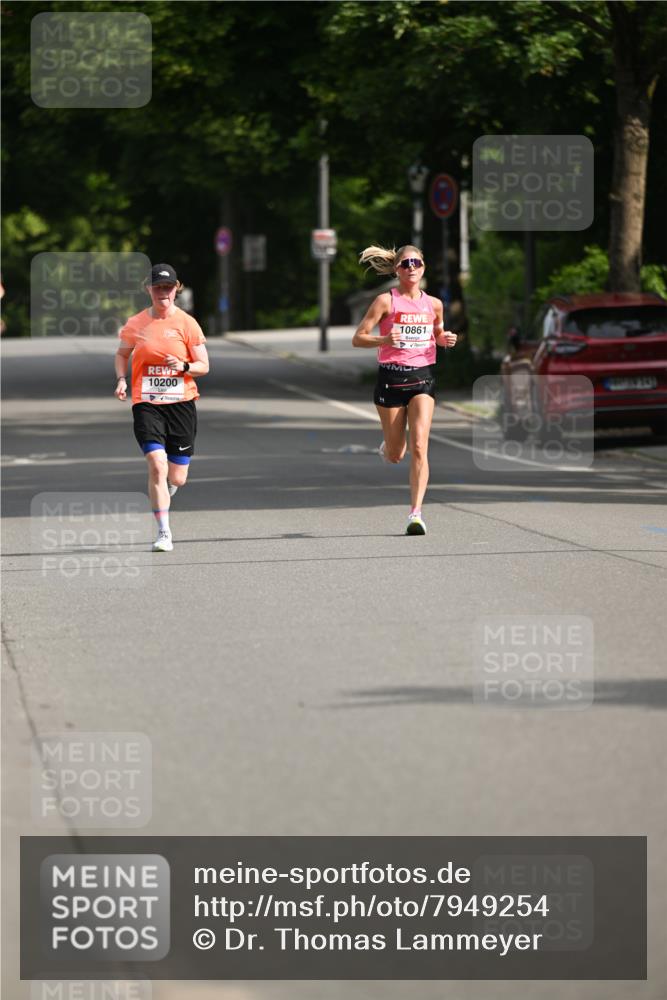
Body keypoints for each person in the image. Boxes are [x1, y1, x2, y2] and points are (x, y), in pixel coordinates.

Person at [352, 244, 457, 535]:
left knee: (420, 447)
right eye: (406, 263)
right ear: (397, 270)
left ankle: (416, 513)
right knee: (397, 453)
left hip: (423, 380)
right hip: (391, 380)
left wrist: (443, 338)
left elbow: (436, 334)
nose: (412, 267)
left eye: (416, 263)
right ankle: (389, 445)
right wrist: (384, 340)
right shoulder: (385, 302)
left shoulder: (434, 304)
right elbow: (358, 338)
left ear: (423, 268)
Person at [114, 263, 209, 552]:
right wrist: (121, 379)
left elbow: (204, 366)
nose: (163, 293)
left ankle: (167, 491)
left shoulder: (187, 323)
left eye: (168, 288)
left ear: (175, 289)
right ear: (149, 290)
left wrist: (183, 366)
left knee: (177, 476)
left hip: (181, 404)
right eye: (158, 287)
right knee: (157, 464)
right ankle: (164, 531)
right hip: (147, 402)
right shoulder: (136, 323)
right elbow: (122, 354)